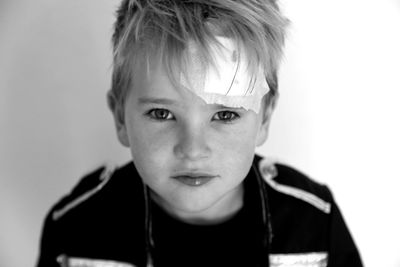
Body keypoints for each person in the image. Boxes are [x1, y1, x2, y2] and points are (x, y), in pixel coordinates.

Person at [36, 0, 363, 266]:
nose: (193, 150)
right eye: (162, 114)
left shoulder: (314, 223)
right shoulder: (75, 230)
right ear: (121, 117)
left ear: (264, 117)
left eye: (225, 114)